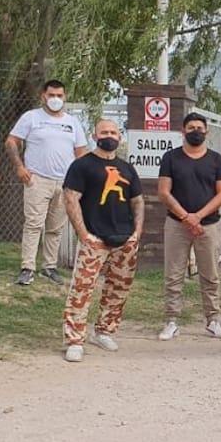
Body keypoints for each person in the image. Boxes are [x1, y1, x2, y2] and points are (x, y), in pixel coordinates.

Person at [60, 119, 144, 362]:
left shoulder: (127, 168)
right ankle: (74, 339)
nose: (109, 135)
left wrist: (136, 232)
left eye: (114, 132)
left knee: (118, 288)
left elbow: (137, 201)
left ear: (120, 136)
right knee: (82, 289)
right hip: (94, 238)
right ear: (94, 135)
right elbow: (70, 198)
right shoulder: (82, 166)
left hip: (124, 239)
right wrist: (83, 234)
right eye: (104, 132)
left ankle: (105, 331)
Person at [6, 79, 89, 286]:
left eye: (59, 96)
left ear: (65, 97)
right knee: (33, 224)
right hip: (38, 180)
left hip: (64, 182)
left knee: (55, 227)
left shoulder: (72, 122)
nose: (55, 99)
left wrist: (80, 180)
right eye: (51, 95)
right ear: (43, 96)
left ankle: (49, 267)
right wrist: (19, 167)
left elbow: (81, 152)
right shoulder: (32, 118)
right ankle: (27, 268)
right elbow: (11, 141)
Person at [157, 112, 221, 341]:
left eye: (199, 127)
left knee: (210, 275)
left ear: (206, 132)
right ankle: (171, 321)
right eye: (191, 127)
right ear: (183, 131)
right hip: (176, 224)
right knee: (173, 274)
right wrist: (186, 217)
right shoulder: (171, 158)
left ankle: (212, 320)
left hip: (208, 225)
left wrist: (198, 216)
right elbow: (163, 192)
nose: (195, 131)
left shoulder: (216, 159)